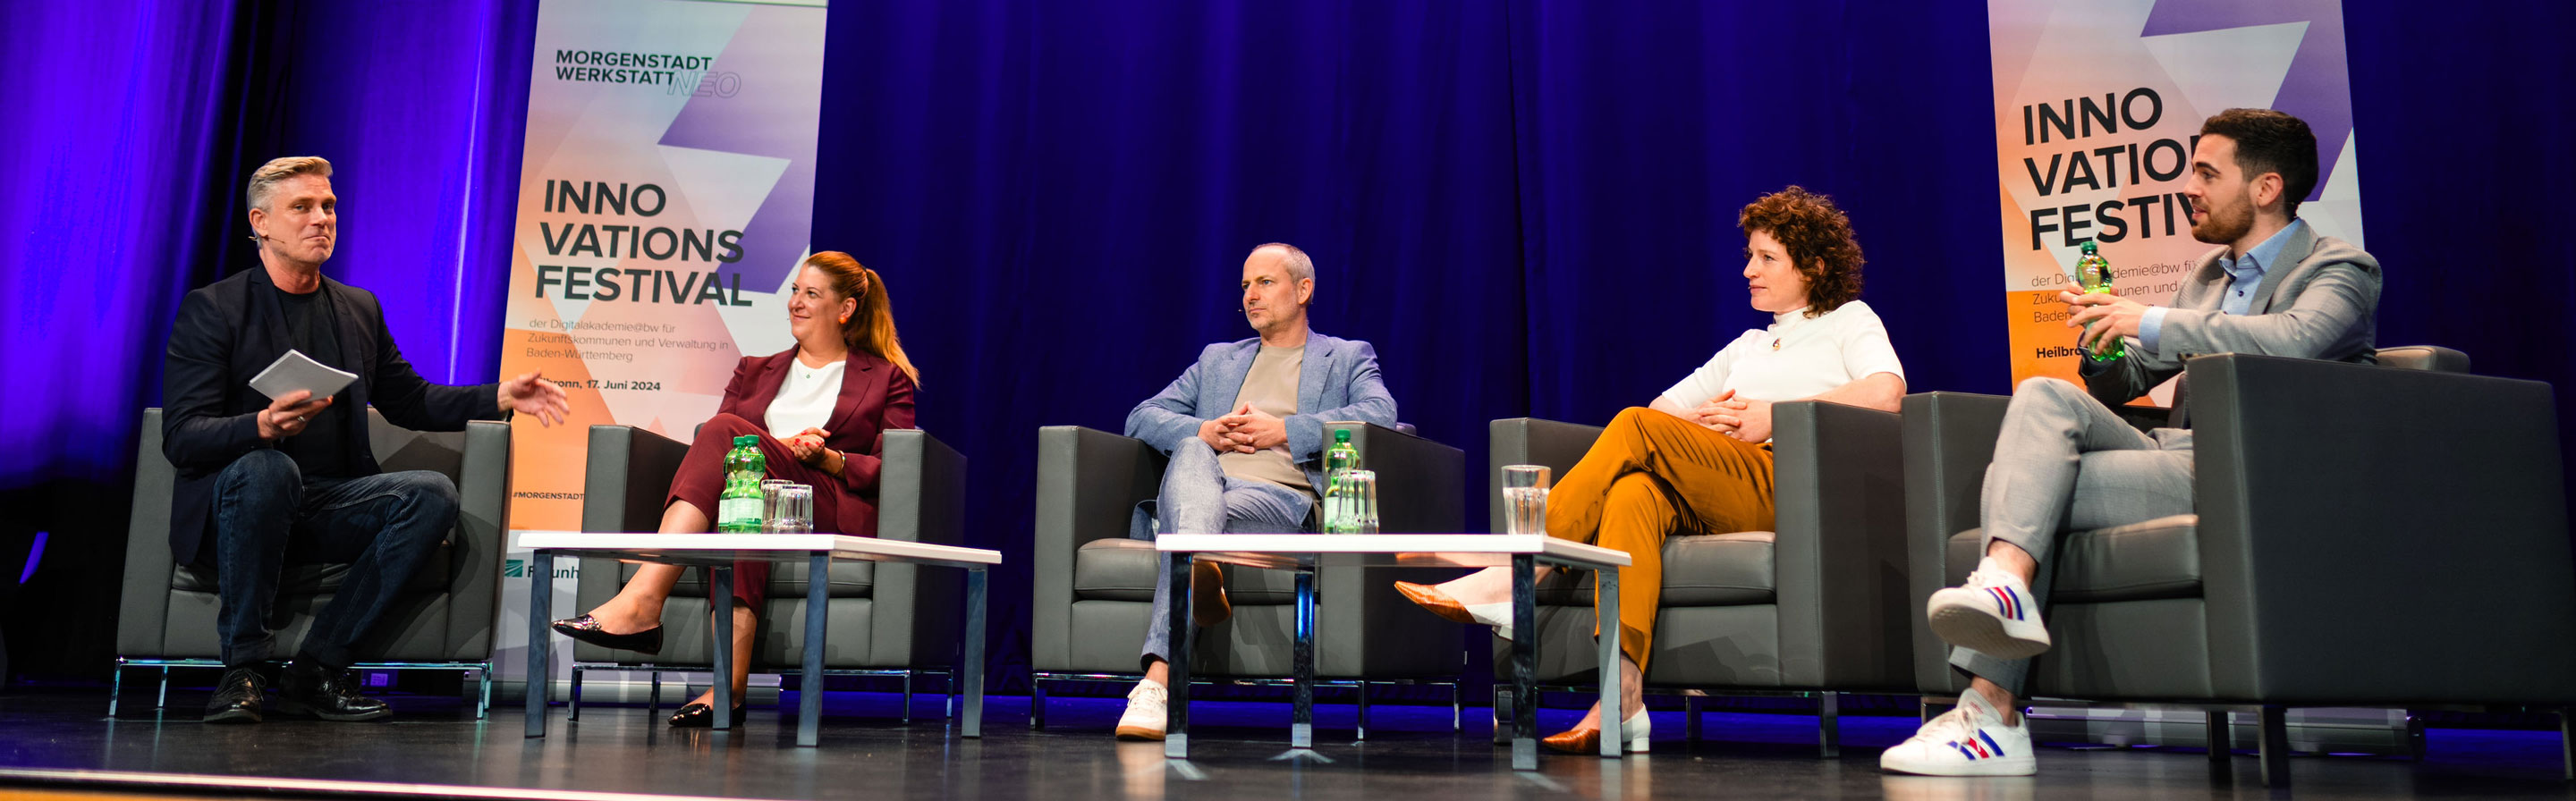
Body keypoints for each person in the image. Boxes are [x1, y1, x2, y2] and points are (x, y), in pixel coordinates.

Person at [1881, 109, 2380, 777]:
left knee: (2025, 489)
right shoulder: (2208, 278)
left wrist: (2145, 318)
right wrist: (2104, 344)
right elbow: (2130, 382)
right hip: (2180, 456)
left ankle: (1992, 714)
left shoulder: (2341, 268)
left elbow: (2294, 342)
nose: (2189, 186)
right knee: (2043, 397)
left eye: (2206, 172)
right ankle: (2003, 592)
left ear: (2265, 189)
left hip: (2256, 471)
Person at [1396, 186, 1906, 754]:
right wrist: (1704, 428)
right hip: (1724, 482)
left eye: (1767, 258)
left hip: (1791, 482)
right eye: (1750, 255)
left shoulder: (1847, 320)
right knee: (1635, 492)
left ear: (1812, 265)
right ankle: (1623, 695)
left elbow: (1887, 392)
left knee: (1634, 426)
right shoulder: (1748, 347)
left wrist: (1773, 416)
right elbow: (1666, 411)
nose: (1748, 270)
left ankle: (1520, 568)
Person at [164, 156, 572, 724]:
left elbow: (411, 400)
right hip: (240, 509)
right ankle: (245, 670)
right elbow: (182, 437)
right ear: (260, 222)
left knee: (431, 493)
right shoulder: (214, 309)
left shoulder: (357, 307)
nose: (321, 219)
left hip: (328, 502)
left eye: (328, 206)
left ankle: (318, 669)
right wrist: (259, 427)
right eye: (302, 207)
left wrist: (498, 397)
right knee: (267, 469)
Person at [549, 251, 919, 727]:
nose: (795, 303)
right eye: (793, 292)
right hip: (752, 498)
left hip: (820, 502)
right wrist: (774, 447)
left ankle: (644, 599)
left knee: (729, 435)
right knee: (741, 502)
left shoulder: (885, 379)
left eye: (811, 294)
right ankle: (729, 689)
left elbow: (895, 466)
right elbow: (720, 447)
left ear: (845, 309)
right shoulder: (754, 369)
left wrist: (829, 457)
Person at [1111, 243, 1399, 740]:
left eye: (1265, 282)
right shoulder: (1218, 360)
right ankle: (1198, 562)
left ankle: (1159, 679)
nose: (1251, 295)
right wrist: (1206, 431)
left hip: (1281, 500)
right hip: (1206, 490)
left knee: (1191, 520)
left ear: (1303, 290)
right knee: (1192, 452)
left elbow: (1381, 414)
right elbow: (1140, 415)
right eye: (1245, 285)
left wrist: (1286, 431)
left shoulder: (1347, 356)